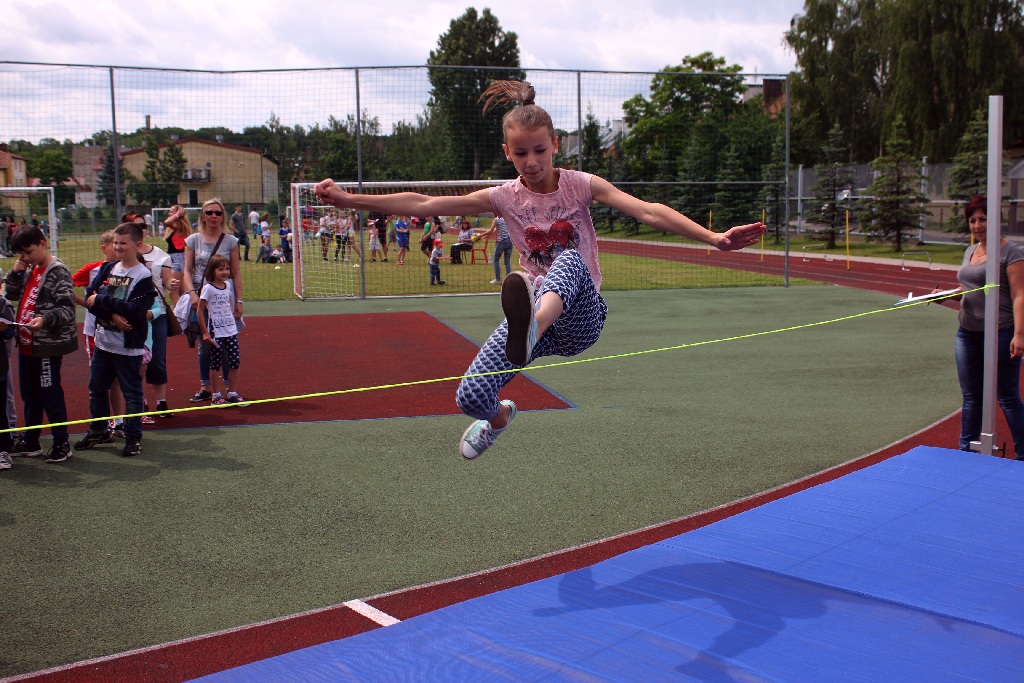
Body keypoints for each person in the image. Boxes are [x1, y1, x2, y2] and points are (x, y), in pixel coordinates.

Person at [315, 79, 765, 460]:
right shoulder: (504, 197)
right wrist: (352, 199)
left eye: (540, 151)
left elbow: (646, 211)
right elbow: (425, 202)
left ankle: (530, 326)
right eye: (520, 154)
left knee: (568, 261)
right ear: (507, 152)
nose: (531, 163)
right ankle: (501, 416)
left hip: (580, 317)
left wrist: (714, 238)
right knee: (470, 395)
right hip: (534, 316)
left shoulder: (581, 185)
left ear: (554, 144)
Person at [943, 194, 1024, 461]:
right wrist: (945, 296)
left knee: (1007, 396)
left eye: (983, 219)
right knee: (971, 397)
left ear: (995, 220)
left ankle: (1023, 453)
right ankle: (967, 451)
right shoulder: (971, 251)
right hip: (967, 332)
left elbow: (1019, 294)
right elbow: (969, 290)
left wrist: (1019, 334)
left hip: (1000, 331)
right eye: (973, 220)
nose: (978, 225)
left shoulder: (1010, 252)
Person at [76, 222, 156, 458]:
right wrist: (109, 311)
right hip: (103, 343)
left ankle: (133, 437)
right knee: (96, 388)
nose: (118, 247)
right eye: (116, 243)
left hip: (127, 347)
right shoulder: (108, 268)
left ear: (137, 245)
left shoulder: (143, 276)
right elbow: (90, 299)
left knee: (131, 394)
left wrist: (102, 300)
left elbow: (135, 310)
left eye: (124, 243)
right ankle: (99, 430)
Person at [3, 225, 79, 463]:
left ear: (43, 243)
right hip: (27, 343)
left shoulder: (57, 271)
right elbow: (12, 295)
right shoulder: (30, 269)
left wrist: (44, 320)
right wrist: (15, 272)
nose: (25, 257)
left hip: (46, 344)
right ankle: (30, 440)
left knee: (49, 392)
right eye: (21, 254)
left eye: (28, 251)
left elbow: (67, 308)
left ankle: (61, 442)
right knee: (30, 393)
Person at [181, 198, 243, 404]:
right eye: (209, 213)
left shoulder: (230, 241)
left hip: (224, 298)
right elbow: (187, 271)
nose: (214, 216)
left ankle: (229, 388)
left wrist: (239, 301)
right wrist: (191, 293)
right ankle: (206, 387)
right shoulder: (193, 240)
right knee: (205, 343)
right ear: (203, 216)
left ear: (223, 216)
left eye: (217, 213)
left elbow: (236, 274)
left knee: (227, 340)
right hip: (202, 296)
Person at [196, 254, 244, 405]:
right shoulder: (208, 289)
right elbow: (199, 310)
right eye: (220, 269)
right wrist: (205, 332)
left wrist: (231, 317)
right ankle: (216, 395)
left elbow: (228, 302)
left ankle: (232, 392)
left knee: (234, 361)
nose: (225, 272)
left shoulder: (228, 285)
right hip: (216, 332)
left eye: (227, 269)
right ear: (213, 271)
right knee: (215, 363)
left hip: (230, 330)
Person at [0, 294, 17, 471]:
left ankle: (3, 449)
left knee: (0, 410)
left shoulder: (1, 302)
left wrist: (4, 329)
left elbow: (12, 330)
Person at [163, 205, 192, 304]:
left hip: (178, 259)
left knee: (173, 291)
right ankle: (189, 310)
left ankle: (179, 315)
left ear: (177, 214)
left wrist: (177, 215)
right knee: (181, 291)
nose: (169, 214)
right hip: (174, 258)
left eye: (171, 212)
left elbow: (167, 222)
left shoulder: (180, 227)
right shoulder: (174, 228)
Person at [481, 212, 514, 284]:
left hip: (501, 242)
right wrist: (486, 235)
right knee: (507, 262)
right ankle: (509, 280)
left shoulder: (497, 219)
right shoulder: (506, 218)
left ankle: (498, 279)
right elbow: (495, 230)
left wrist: (480, 235)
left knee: (496, 260)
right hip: (510, 242)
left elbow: (490, 230)